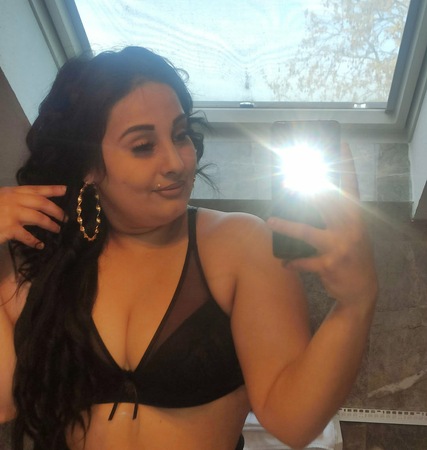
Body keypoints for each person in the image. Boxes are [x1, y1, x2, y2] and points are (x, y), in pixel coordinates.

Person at [0, 46, 378, 450]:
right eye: (143, 145)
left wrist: (355, 302)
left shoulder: (239, 245)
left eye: (180, 135)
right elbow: (4, 401)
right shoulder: (44, 252)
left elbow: (293, 421)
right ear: (89, 166)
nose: (177, 162)